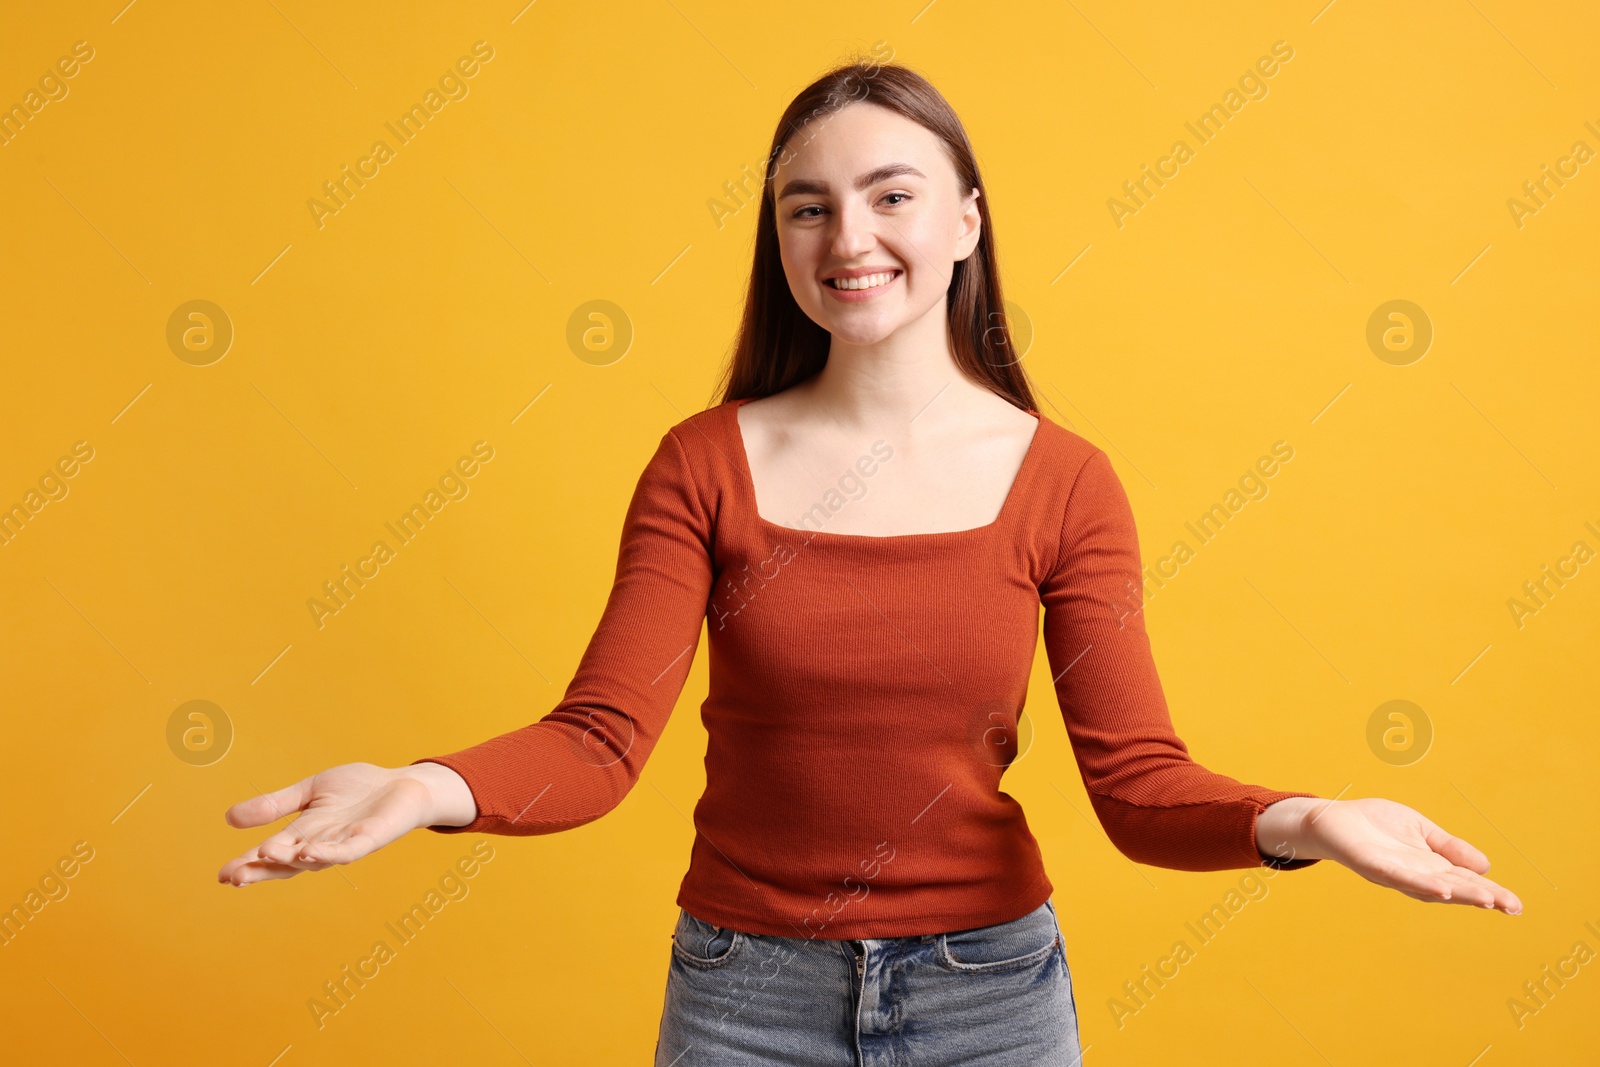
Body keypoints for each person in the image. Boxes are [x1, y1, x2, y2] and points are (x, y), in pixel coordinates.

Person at [218, 59, 1522, 1065]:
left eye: (891, 195)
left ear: (964, 220)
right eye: (809, 208)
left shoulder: (1064, 481)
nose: (849, 236)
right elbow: (601, 742)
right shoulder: (701, 464)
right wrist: (428, 786)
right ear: (781, 245)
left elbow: (1138, 788)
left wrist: (1305, 824)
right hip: (742, 1001)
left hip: (993, 1003)